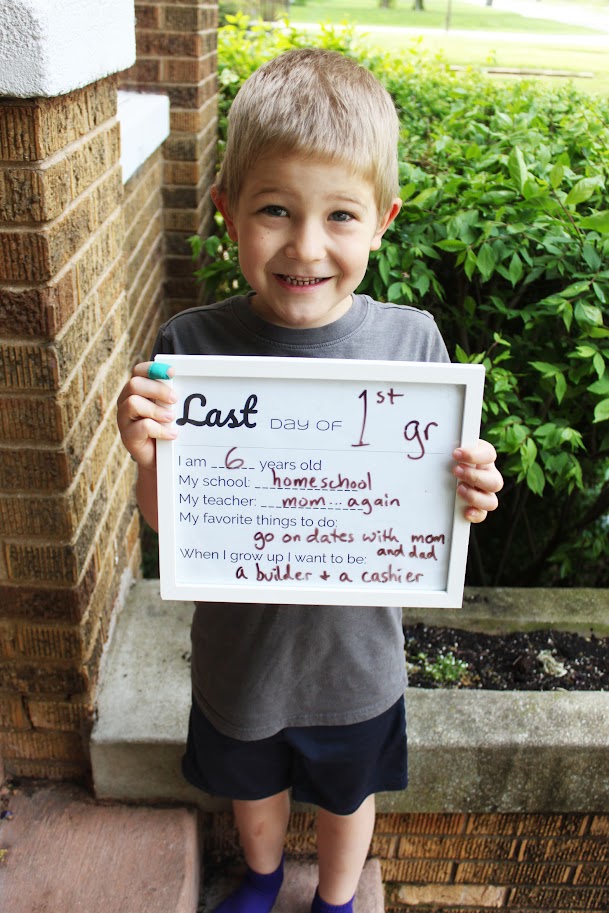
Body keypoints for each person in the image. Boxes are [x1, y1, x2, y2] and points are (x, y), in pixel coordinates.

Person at [117, 48, 503, 913]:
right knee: (249, 785)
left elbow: (434, 510)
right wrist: (148, 458)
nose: (305, 245)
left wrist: (471, 492)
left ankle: (332, 900)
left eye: (338, 214)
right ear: (227, 212)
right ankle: (258, 878)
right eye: (274, 211)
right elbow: (166, 521)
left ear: (381, 220)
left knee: (344, 794)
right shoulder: (191, 348)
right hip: (239, 659)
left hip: (355, 664)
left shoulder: (413, 348)